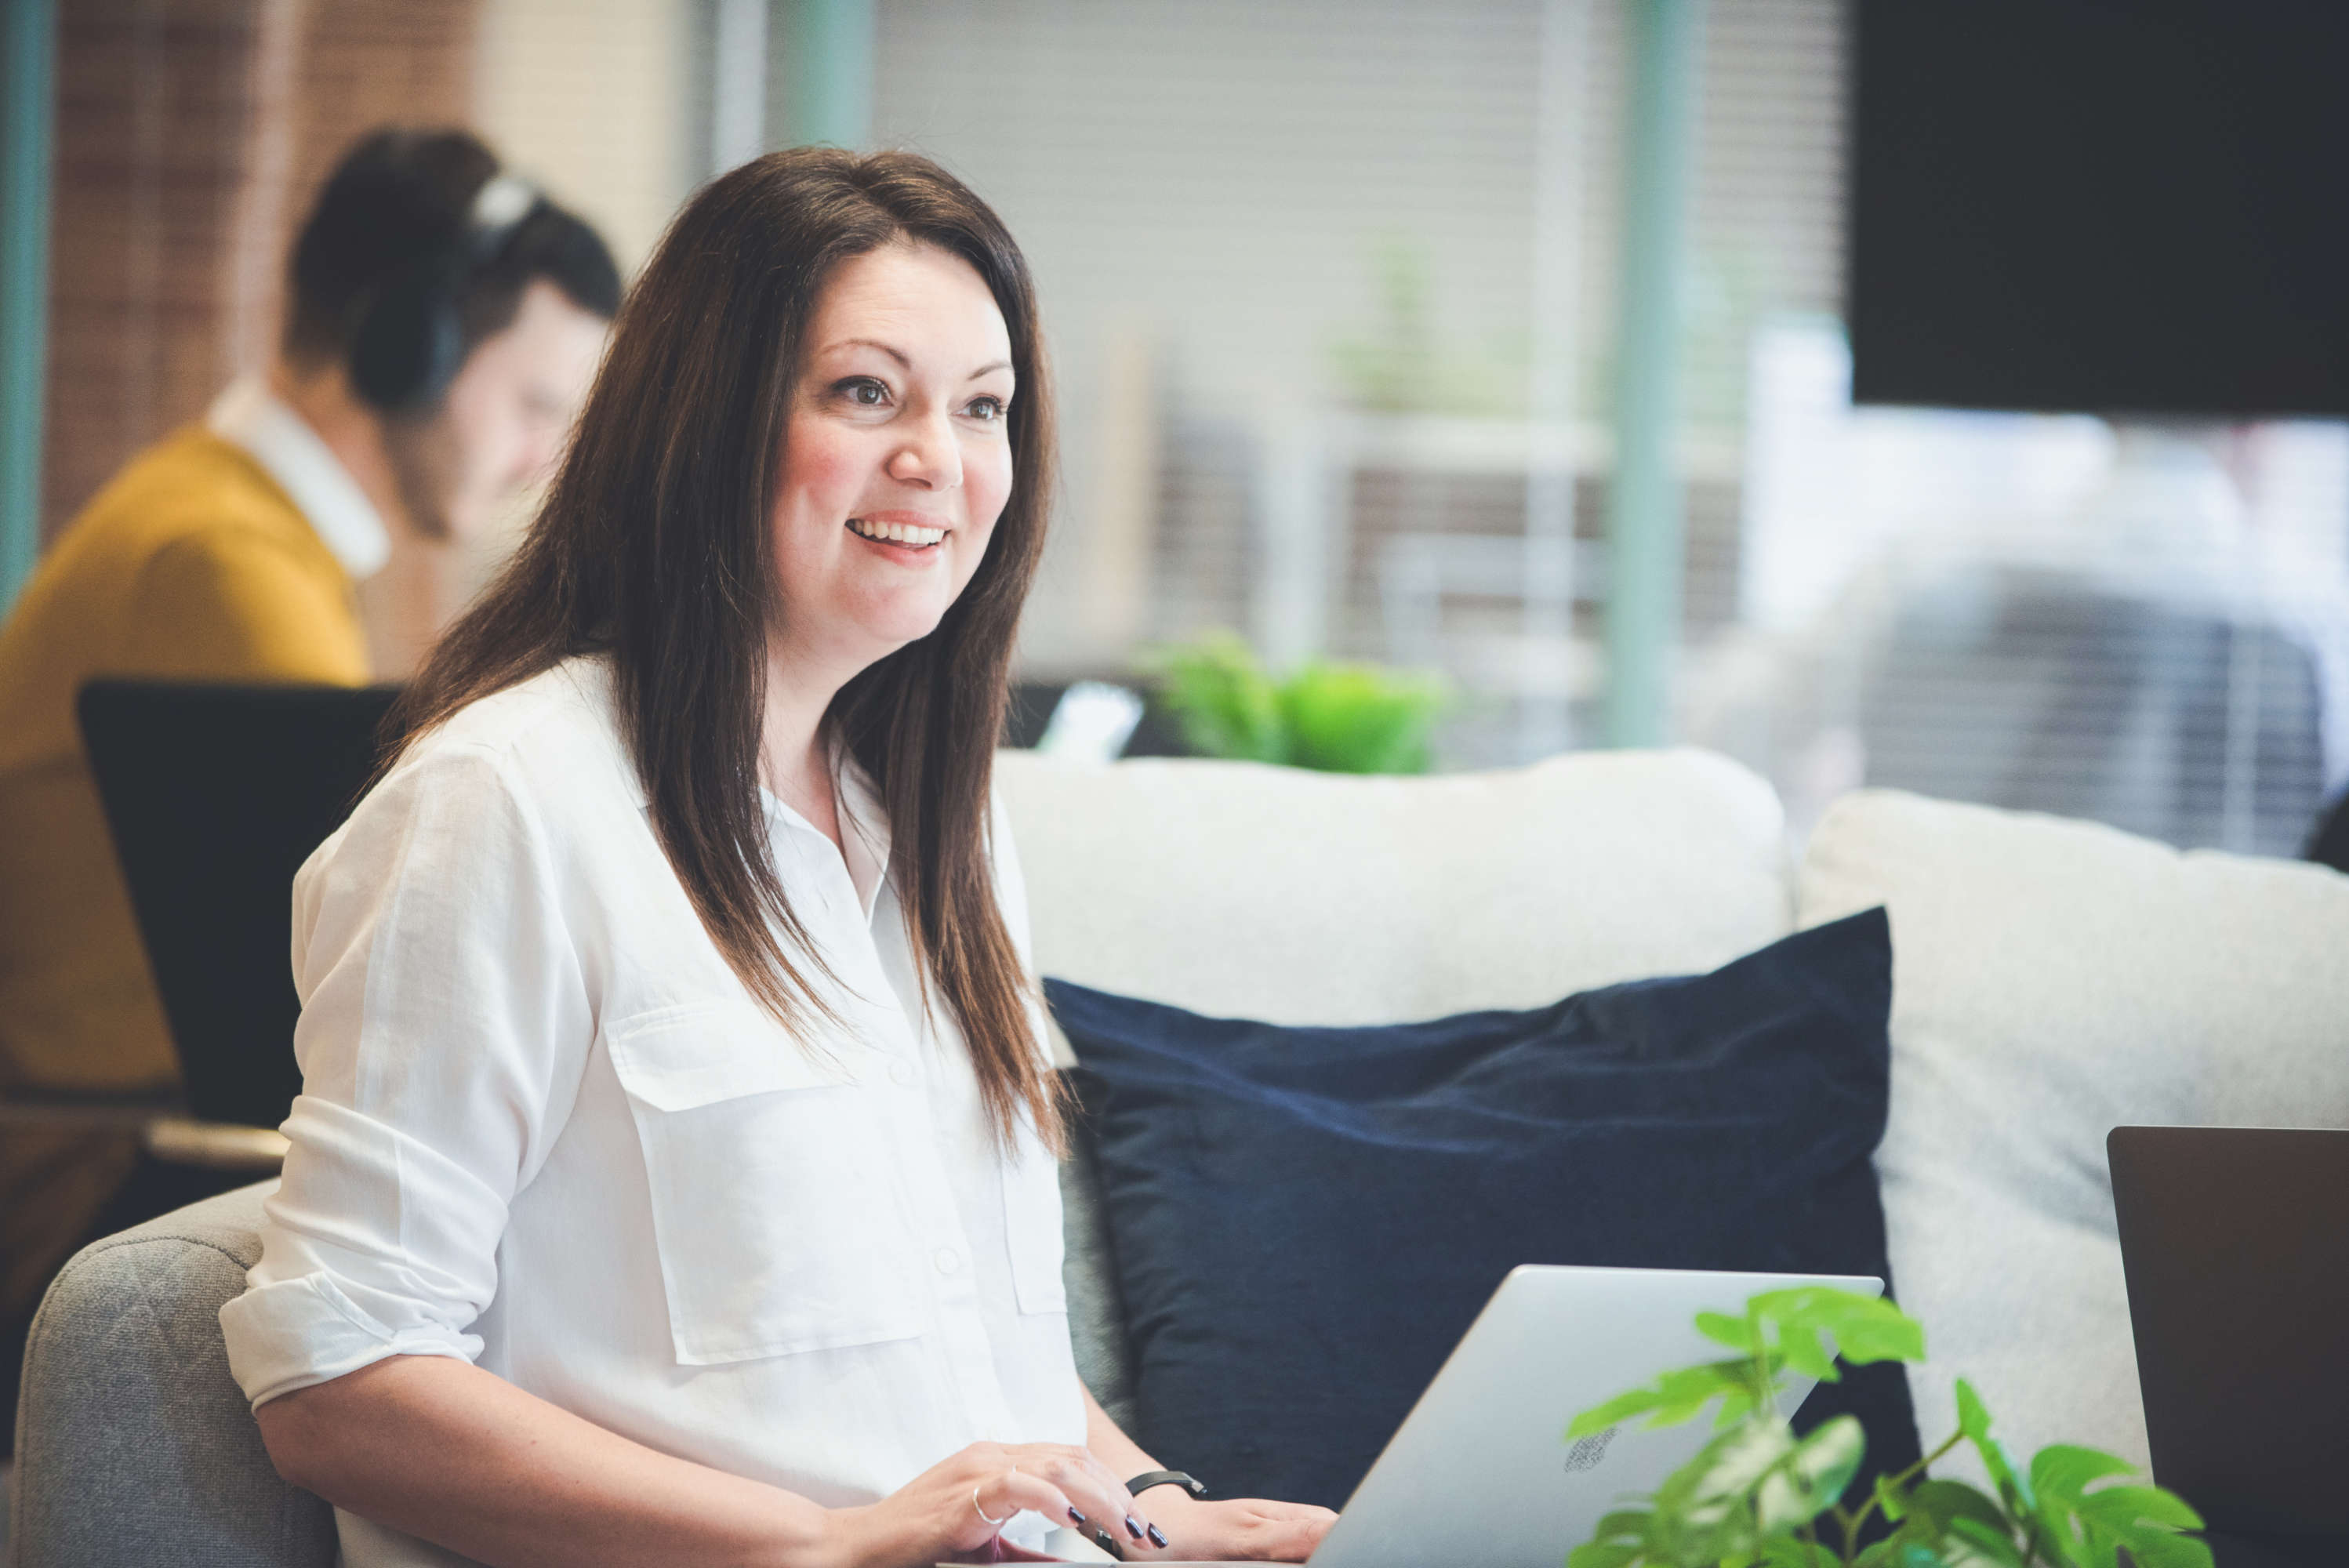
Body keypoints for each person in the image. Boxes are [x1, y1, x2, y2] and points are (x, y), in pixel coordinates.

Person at [218, 148, 1337, 1567]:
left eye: (983, 408)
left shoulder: (941, 815)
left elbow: (980, 1359)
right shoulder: (500, 805)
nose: (937, 456)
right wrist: (820, 1539)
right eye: (866, 392)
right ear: (708, 422)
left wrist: (1161, 1516)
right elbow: (338, 1378)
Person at [0, 127, 618, 1405]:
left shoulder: (226, 521)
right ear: (418, 351)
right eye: (536, 405)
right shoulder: (227, 567)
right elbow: (385, 961)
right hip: (90, 1171)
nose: (539, 462)